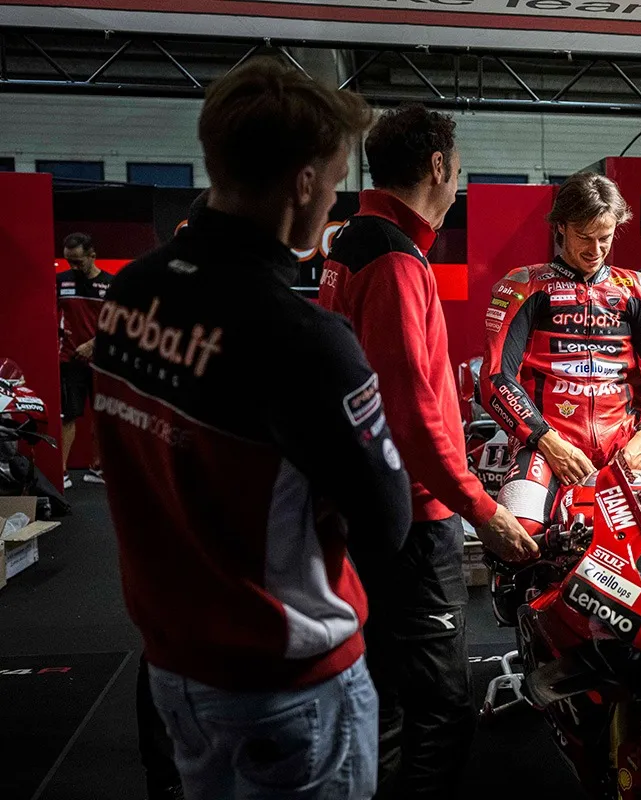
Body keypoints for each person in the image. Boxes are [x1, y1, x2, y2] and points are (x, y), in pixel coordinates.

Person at [92, 57, 406, 800]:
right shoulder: (299, 336)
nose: (331, 203)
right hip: (288, 685)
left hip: (173, 664)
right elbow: (387, 518)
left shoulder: (132, 289)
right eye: (331, 184)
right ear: (302, 183)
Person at [318, 105, 537, 799]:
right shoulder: (393, 260)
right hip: (412, 520)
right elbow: (410, 416)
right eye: (458, 168)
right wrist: (483, 512)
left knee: (383, 690)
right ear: (438, 167)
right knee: (442, 705)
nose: (457, 181)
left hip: (368, 509)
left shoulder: (355, 242)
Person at [482, 171, 641, 537]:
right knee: (522, 531)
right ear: (560, 227)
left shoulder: (637, 288)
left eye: (605, 238)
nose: (595, 250)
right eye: (584, 237)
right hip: (548, 445)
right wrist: (547, 440)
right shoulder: (523, 284)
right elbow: (496, 378)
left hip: (627, 445)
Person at [56, 232, 112, 488]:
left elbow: (118, 326)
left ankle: (98, 468)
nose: (73, 267)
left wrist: (93, 345)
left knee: (103, 416)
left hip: (102, 362)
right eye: (69, 261)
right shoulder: (60, 282)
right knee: (68, 415)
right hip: (69, 359)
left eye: (78, 261)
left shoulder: (111, 286)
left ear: (92, 255)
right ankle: (61, 472)